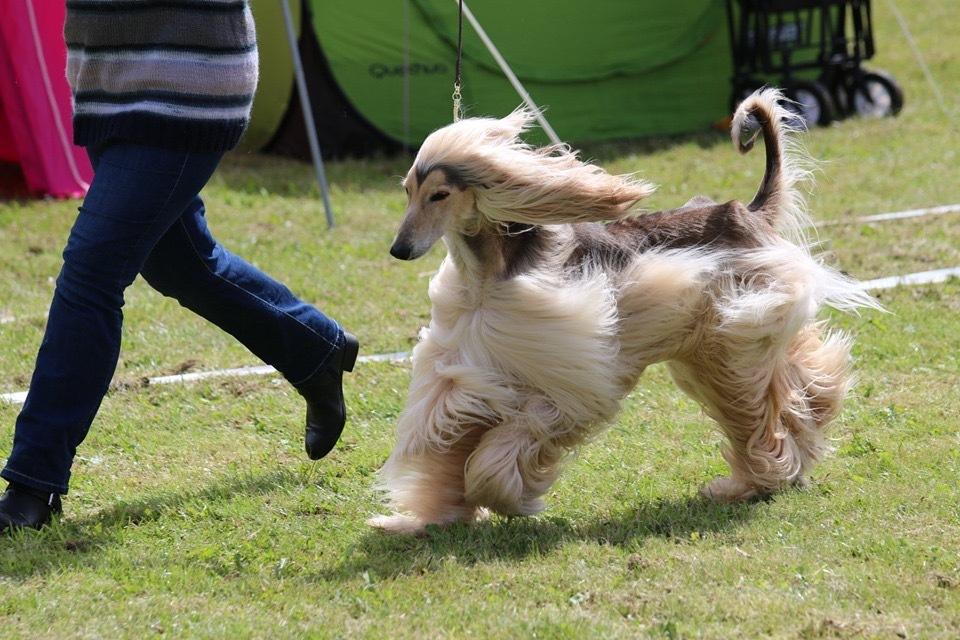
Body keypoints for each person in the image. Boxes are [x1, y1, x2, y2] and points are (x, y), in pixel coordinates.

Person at [0, 0, 358, 532]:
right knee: (182, 264)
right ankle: (315, 346)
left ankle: (32, 483)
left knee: (91, 273)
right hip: (106, 81)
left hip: (189, 82)